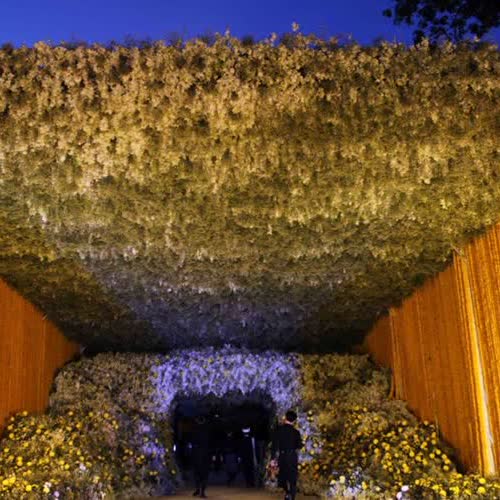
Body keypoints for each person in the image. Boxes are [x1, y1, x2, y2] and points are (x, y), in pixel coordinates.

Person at [271, 410, 303, 500]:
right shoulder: (296, 432)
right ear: (294, 420)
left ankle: (287, 492)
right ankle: (291, 496)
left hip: (282, 455)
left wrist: (273, 458)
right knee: (293, 478)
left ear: (285, 418)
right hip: (292, 456)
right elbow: (299, 446)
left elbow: (274, 445)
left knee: (282, 476)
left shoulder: (279, 430)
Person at [191, 416, 210, 498]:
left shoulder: (195, 430)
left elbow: (192, 442)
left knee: (197, 473)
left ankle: (199, 489)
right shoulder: (206, 430)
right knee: (203, 473)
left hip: (198, 453)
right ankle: (201, 491)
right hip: (204, 453)